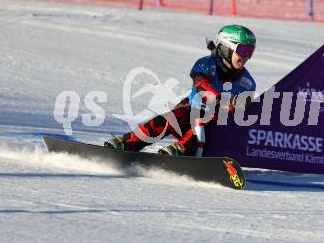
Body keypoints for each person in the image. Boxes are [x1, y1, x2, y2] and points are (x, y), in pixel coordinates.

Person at [104, 25, 256, 156]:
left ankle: (180, 150)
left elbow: (242, 114)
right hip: (192, 115)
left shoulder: (248, 83)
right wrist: (223, 102)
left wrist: (240, 105)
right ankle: (127, 143)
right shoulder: (206, 64)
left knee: (205, 121)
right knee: (173, 117)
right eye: (243, 50)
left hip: (218, 132)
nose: (247, 57)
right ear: (225, 48)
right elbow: (201, 86)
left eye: (250, 51)